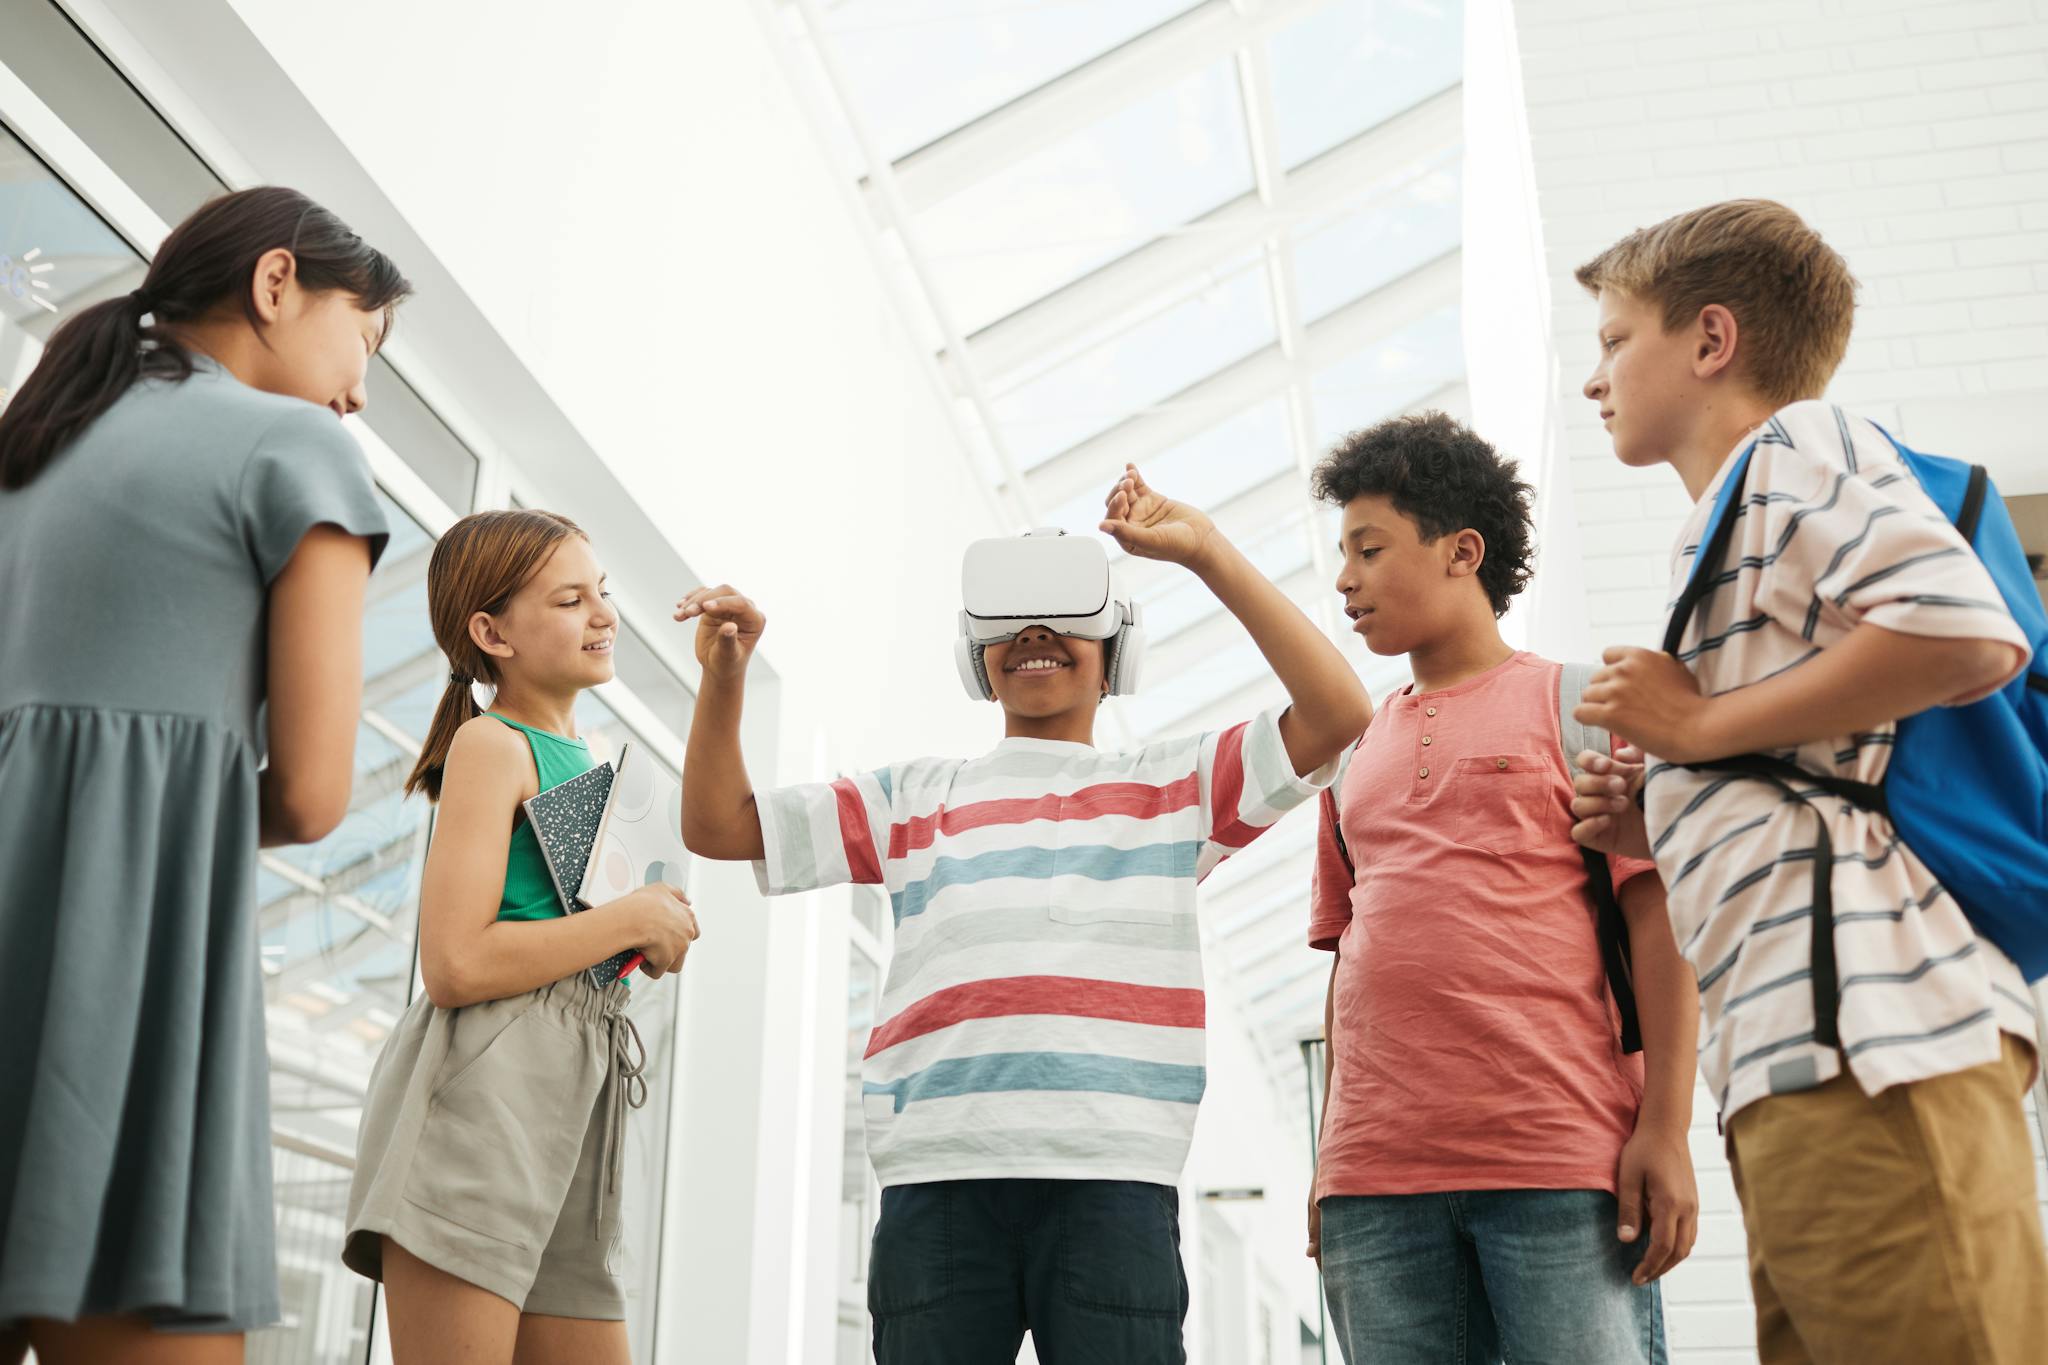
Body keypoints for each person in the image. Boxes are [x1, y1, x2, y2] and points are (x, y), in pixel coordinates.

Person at [680, 464, 1368, 1364]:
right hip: (937, 1183)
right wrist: (726, 678)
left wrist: (1203, 551)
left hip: (1114, 1183)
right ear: (976, 654)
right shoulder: (909, 797)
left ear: (1118, 652)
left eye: (1065, 618)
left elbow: (1339, 709)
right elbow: (718, 825)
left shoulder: (1175, 788)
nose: (1034, 634)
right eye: (1009, 621)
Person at [1571, 198, 2047, 1363]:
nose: (1592, 379)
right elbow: (1818, 764)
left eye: (1612, 340)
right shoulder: (1731, 514)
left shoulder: (1792, 447)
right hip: (1802, 1055)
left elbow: (1961, 635)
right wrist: (1663, 808)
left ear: (1709, 339)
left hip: (1870, 1044)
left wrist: (1693, 725)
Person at [0, 186, 408, 1364]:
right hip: (119, 971)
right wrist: (157, 822)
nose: (358, 390)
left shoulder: (33, 444)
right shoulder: (295, 448)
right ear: (277, 284)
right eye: (364, 339)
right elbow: (313, 794)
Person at [1305, 411, 1696, 1365]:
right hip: (1373, 1189)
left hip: (1561, 1161)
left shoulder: (1583, 706)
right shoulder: (1352, 754)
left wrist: (1668, 1127)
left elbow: (1661, 925)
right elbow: (1349, 960)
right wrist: (1326, 1160)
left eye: (1369, 548)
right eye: (1342, 554)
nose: (1345, 578)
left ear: (1462, 551)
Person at [340, 509, 700, 1365]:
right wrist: (629, 920)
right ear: (491, 634)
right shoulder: (492, 744)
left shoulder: (596, 762)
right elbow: (455, 962)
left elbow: (566, 935)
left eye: (600, 592)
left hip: (575, 1098)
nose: (604, 614)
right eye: (571, 600)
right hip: (483, 1100)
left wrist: (645, 937)